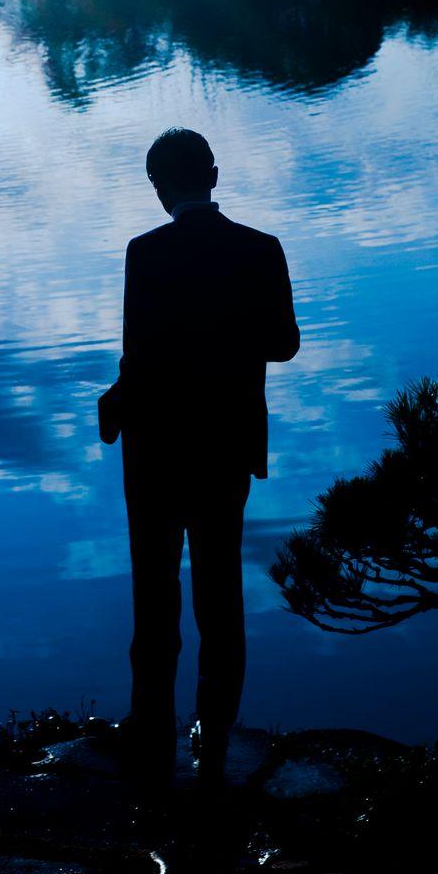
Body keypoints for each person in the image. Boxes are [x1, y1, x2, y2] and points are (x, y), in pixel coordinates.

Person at [98, 127, 300, 791]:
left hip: (154, 450)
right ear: (214, 174)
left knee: (153, 598)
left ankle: (152, 743)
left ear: (160, 188)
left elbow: (139, 357)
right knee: (221, 597)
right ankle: (214, 754)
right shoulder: (261, 249)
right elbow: (284, 345)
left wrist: (116, 403)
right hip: (225, 444)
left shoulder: (144, 254)